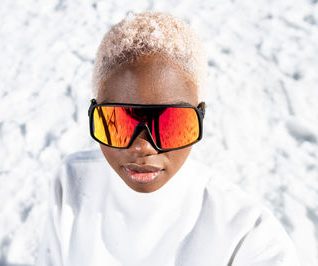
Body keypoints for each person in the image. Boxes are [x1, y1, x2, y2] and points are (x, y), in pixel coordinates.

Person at [36, 11, 301, 266]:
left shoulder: (250, 237)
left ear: (201, 118)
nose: (143, 147)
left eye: (170, 123)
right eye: (117, 121)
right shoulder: (71, 183)